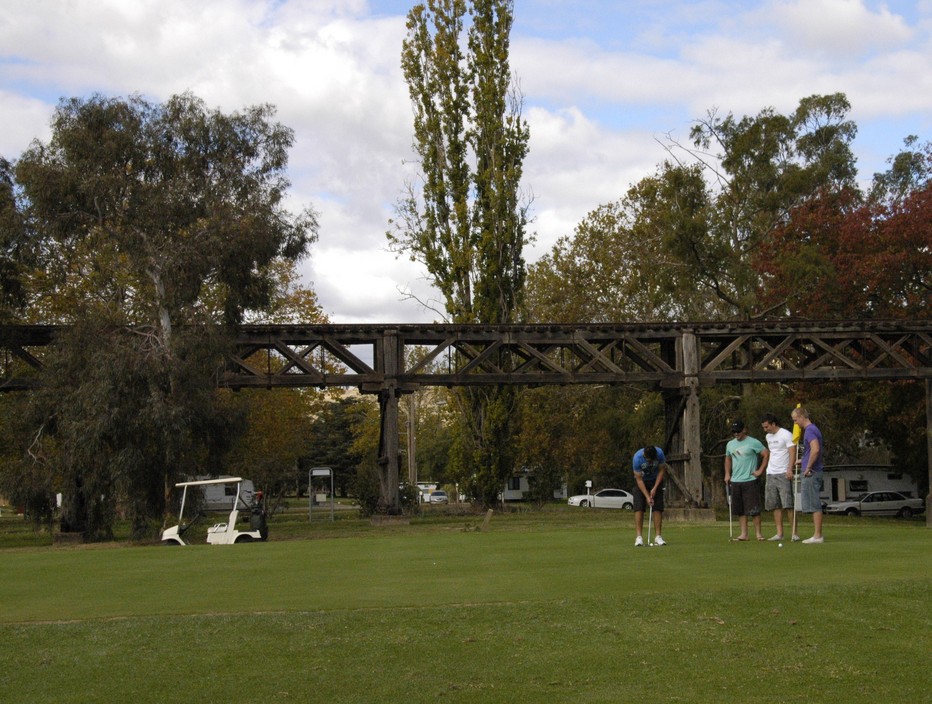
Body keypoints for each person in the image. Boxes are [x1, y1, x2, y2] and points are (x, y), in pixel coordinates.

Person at [724, 420, 769, 541]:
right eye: (734, 432)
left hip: (750, 479)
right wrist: (727, 474)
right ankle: (744, 534)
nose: (736, 433)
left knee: (754, 509)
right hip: (736, 480)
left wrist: (760, 471)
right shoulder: (730, 444)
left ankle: (758, 534)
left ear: (744, 430)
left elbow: (765, 454)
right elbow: (728, 459)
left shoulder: (753, 442)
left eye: (738, 431)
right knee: (740, 510)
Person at [761, 413, 798, 542]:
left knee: (788, 504)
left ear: (773, 423)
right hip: (771, 473)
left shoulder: (786, 434)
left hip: (783, 473)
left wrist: (789, 469)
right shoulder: (768, 436)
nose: (765, 430)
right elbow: (772, 452)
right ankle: (779, 533)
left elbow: (792, 452)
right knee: (775, 504)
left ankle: (794, 533)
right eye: (764, 427)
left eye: (767, 427)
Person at [791, 406, 825, 544]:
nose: (795, 423)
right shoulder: (813, 429)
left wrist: (808, 466)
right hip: (811, 468)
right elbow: (811, 451)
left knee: (814, 503)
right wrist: (803, 460)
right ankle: (816, 535)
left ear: (801, 417)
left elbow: (815, 449)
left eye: (795, 420)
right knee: (811, 503)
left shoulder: (809, 430)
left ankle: (817, 536)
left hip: (812, 471)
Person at [632, 445, 669, 546]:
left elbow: (662, 470)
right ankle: (639, 537)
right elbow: (638, 479)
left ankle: (658, 537)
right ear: (644, 455)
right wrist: (647, 496)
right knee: (639, 507)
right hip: (641, 482)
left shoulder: (660, 454)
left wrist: (655, 487)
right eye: (648, 460)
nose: (650, 462)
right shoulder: (637, 458)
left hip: (655, 480)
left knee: (657, 507)